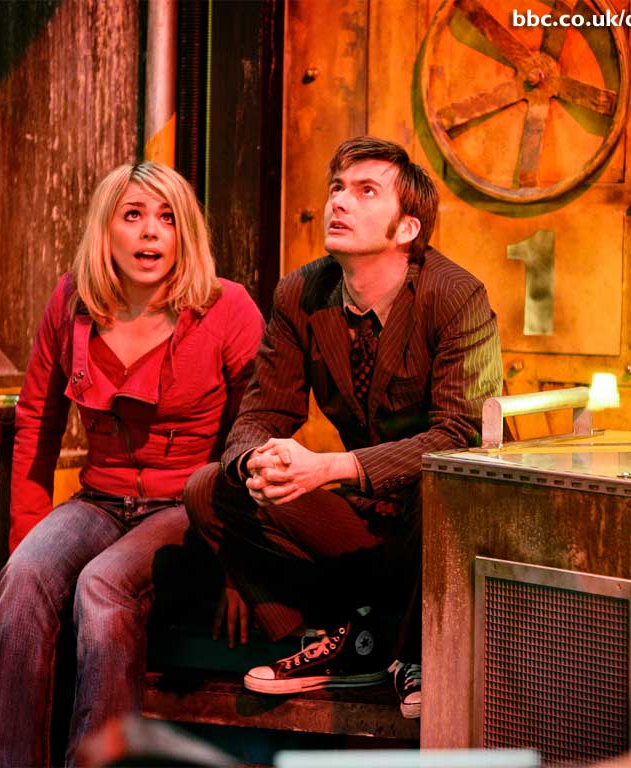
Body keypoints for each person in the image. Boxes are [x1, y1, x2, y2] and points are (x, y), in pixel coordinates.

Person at [184, 136, 502, 717]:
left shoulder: (456, 296)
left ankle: (407, 648)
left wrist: (333, 467)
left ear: (407, 228)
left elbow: (462, 436)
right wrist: (258, 460)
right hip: (366, 520)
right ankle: (340, 639)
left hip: (442, 522)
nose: (339, 201)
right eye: (337, 187)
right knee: (211, 488)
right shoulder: (300, 293)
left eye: (365, 191)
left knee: (442, 484)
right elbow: (262, 414)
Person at [0, 161, 265, 766]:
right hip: (99, 501)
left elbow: (258, 438)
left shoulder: (226, 308)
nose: (151, 231)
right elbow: (37, 421)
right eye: (133, 215)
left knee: (102, 585)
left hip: (189, 510)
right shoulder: (72, 300)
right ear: (106, 230)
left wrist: (243, 569)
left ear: (185, 233)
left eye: (167, 218)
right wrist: (27, 541)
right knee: (24, 578)